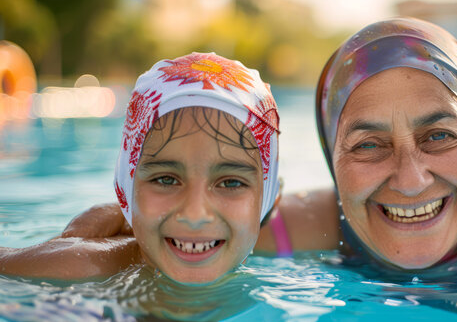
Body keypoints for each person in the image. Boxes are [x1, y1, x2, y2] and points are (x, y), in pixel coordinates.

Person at [54, 18, 457, 273]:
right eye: (368, 146)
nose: (410, 178)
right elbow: (172, 236)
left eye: (439, 135)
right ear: (332, 158)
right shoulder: (299, 227)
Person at [0, 52, 280, 283]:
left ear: (267, 199)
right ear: (126, 187)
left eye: (230, 183)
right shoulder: (81, 267)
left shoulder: (287, 245)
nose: (195, 215)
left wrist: (123, 217)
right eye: (166, 180)